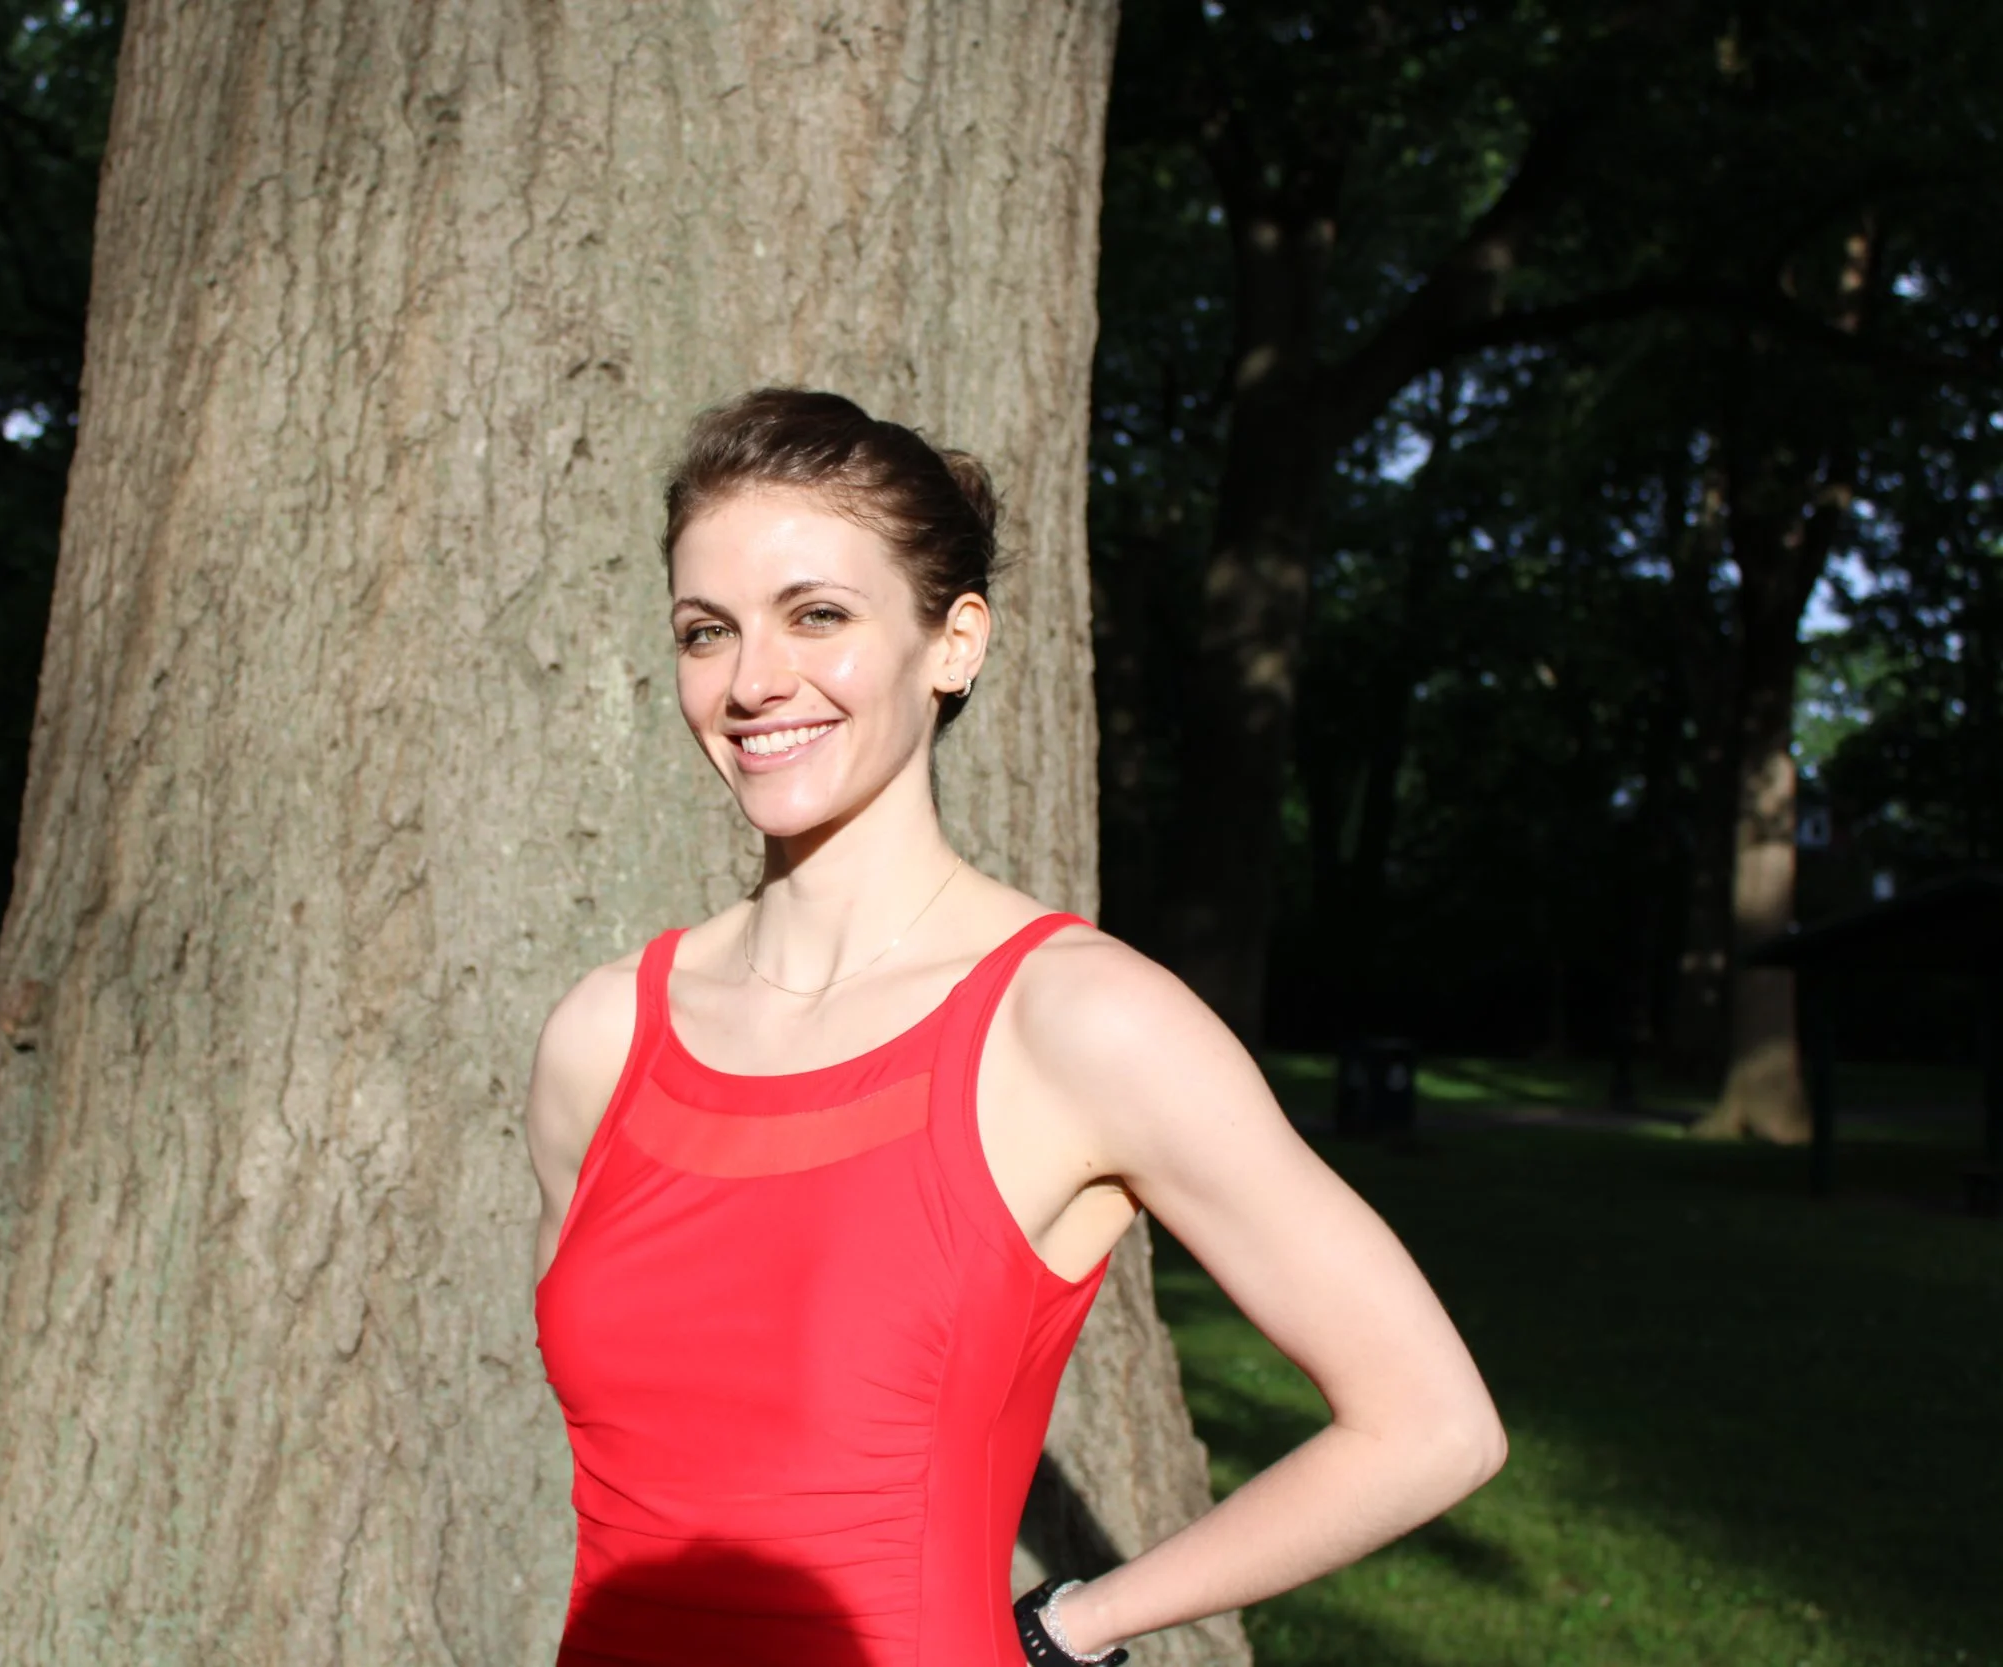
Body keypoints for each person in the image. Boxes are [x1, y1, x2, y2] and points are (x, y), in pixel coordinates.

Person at [526, 389, 1504, 1666]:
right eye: (707, 630)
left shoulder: (1076, 1021)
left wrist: (1073, 1621)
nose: (753, 680)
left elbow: (1431, 1422)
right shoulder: (601, 1037)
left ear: (954, 642)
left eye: (817, 614)